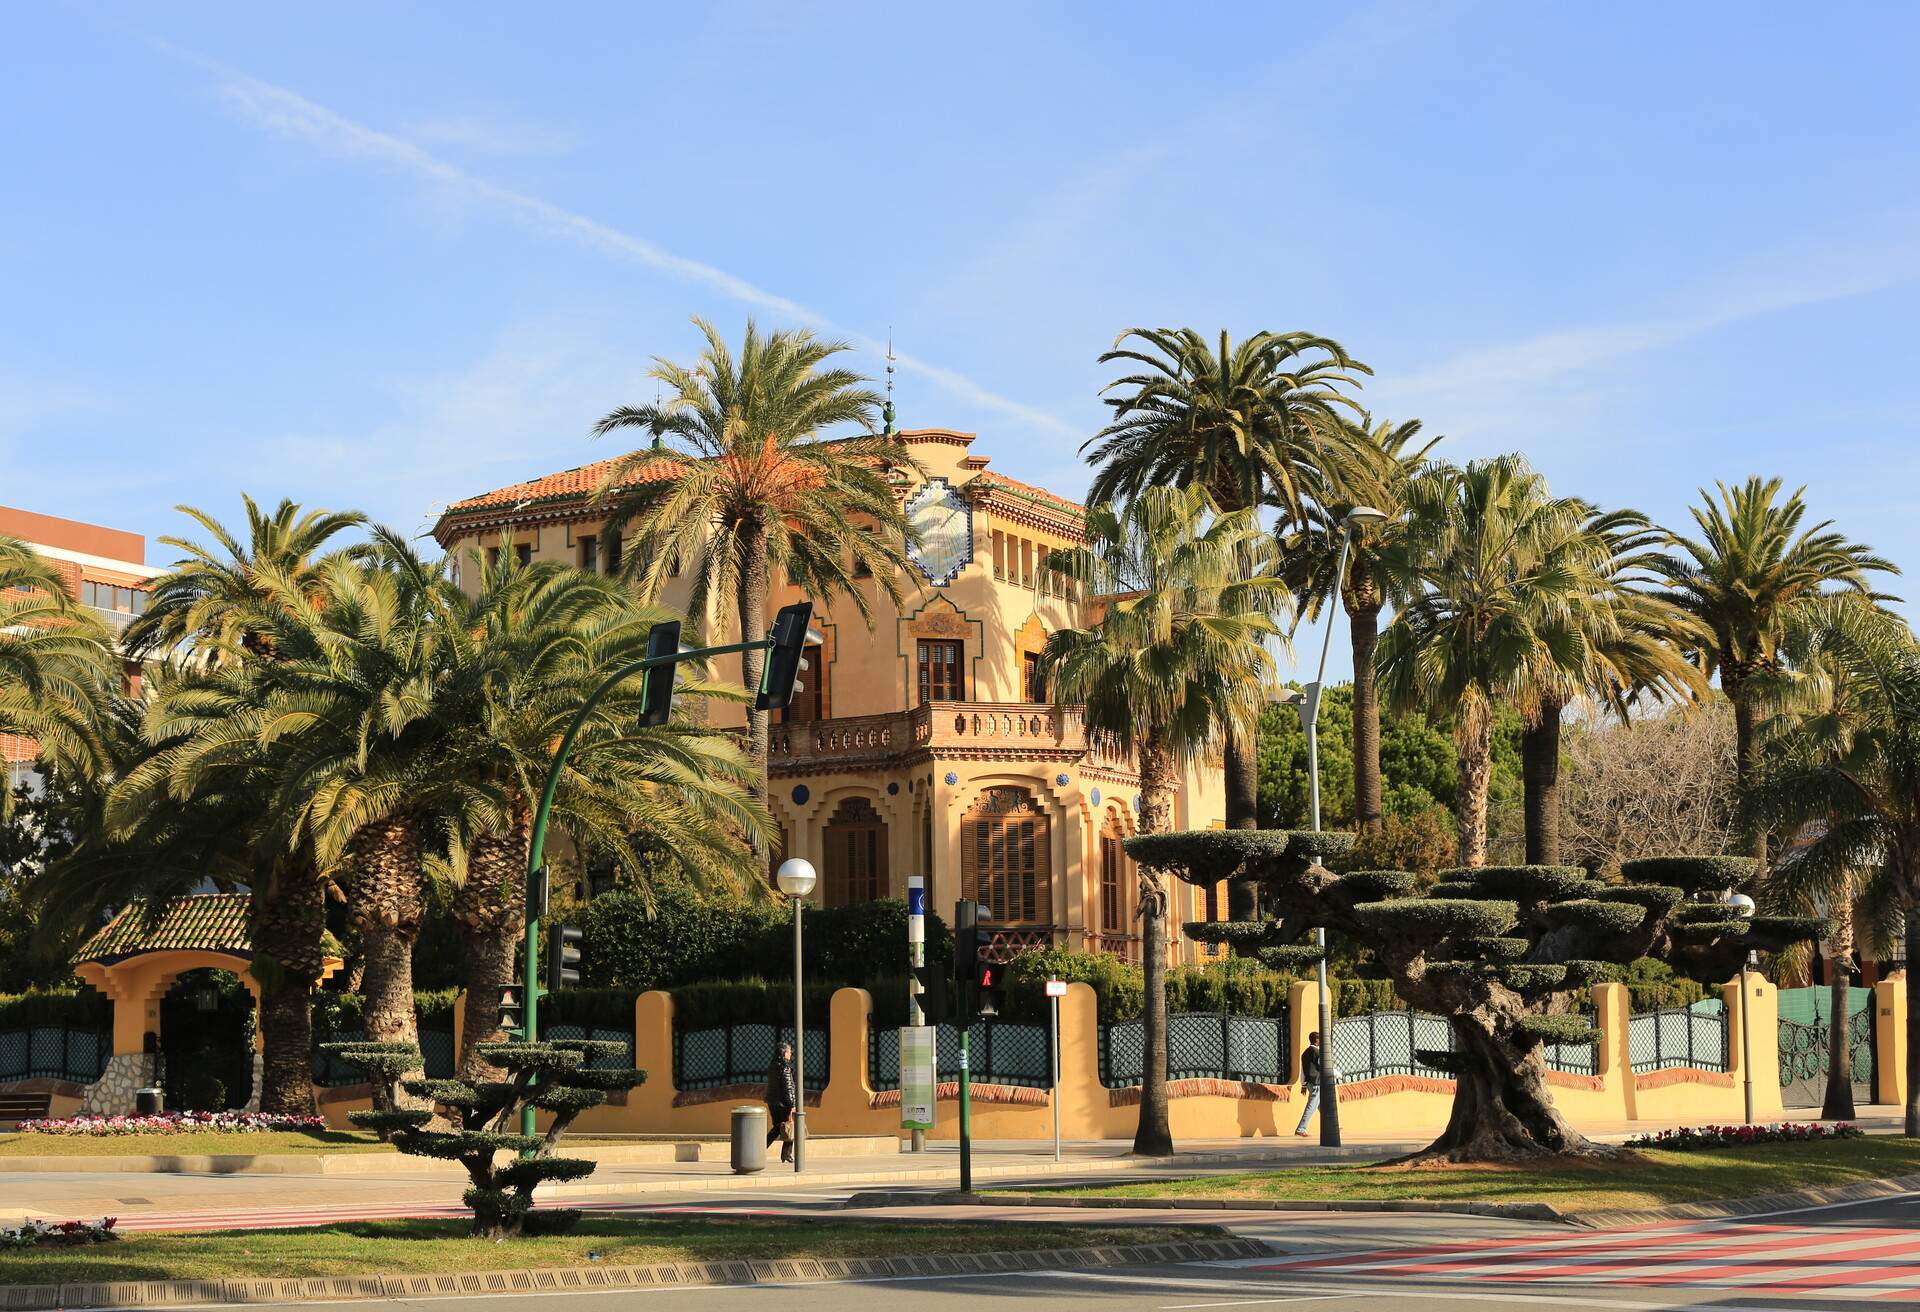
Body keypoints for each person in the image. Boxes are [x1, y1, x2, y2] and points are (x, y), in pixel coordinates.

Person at [765, 1041, 796, 1162]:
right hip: (783, 1103)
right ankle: (786, 1154)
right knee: (790, 1126)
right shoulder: (785, 1068)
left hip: (772, 1102)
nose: (790, 1054)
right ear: (784, 1053)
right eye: (789, 1052)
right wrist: (792, 1105)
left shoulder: (772, 1066)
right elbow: (788, 1088)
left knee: (777, 1128)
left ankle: (760, 1149)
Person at [1295, 1031, 1322, 1137]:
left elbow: (1303, 1071)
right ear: (1316, 1040)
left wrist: (1304, 1085)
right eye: (1320, 1039)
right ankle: (1301, 1128)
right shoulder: (1317, 1052)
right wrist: (1337, 1074)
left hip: (1310, 1083)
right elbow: (1323, 1067)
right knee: (1312, 1106)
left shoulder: (1305, 1052)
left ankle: (1333, 1125)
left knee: (1323, 1106)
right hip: (1317, 1083)